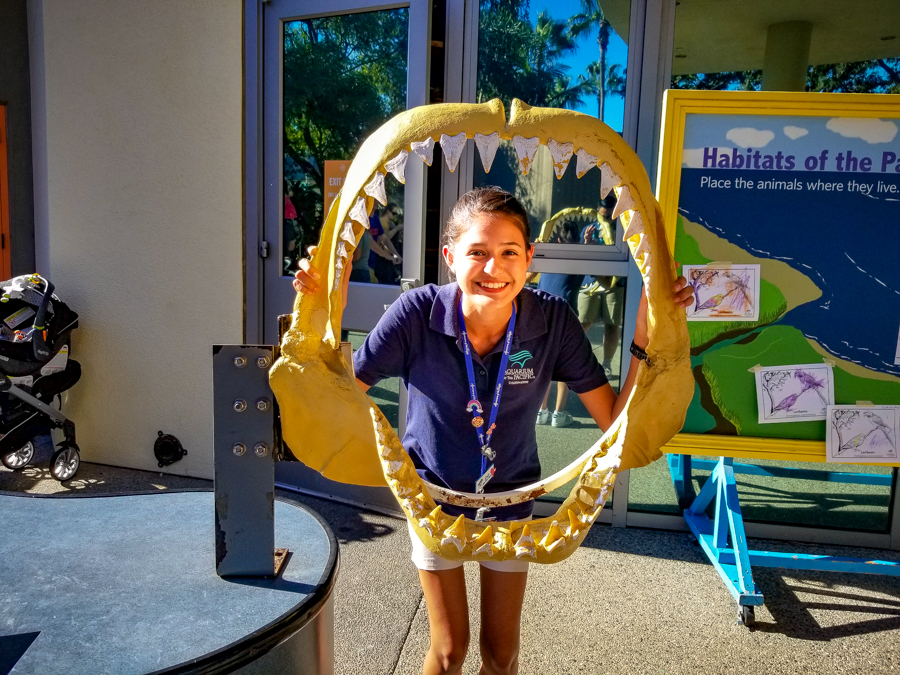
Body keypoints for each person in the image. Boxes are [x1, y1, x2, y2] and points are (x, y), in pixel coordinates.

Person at [293, 186, 693, 675]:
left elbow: (616, 422)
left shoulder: (553, 320)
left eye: (508, 253)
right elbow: (337, 395)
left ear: (529, 257)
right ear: (450, 257)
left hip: (512, 499)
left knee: (501, 657)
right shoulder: (416, 314)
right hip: (431, 501)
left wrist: (647, 333)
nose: (493, 268)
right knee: (448, 651)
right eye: (477, 252)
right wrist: (317, 310)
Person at [369, 203, 404, 284]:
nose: (376, 201)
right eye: (393, 213)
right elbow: (372, 243)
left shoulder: (375, 218)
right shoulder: (363, 219)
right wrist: (389, 257)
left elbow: (385, 239)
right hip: (366, 263)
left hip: (374, 261)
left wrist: (396, 255)